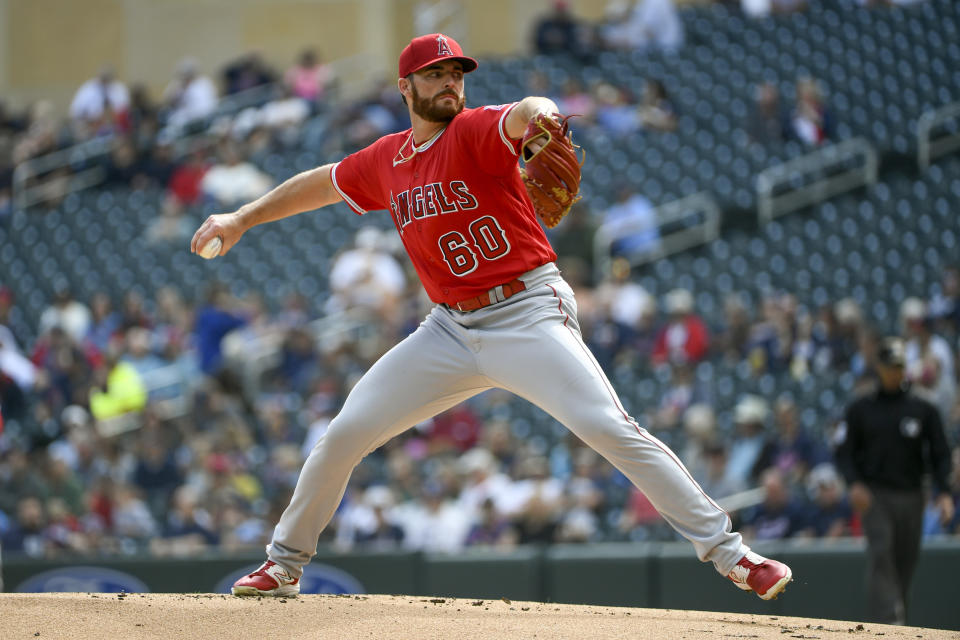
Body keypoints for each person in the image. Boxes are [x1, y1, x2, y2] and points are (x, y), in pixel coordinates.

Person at [191, 33, 791, 601]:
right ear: (406, 87)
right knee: (344, 434)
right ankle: (285, 563)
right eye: (436, 74)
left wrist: (545, 117)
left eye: (457, 73)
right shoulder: (387, 159)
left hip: (527, 311)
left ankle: (731, 554)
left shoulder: (474, 130)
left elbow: (524, 110)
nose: (451, 83)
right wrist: (241, 218)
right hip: (449, 328)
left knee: (609, 427)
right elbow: (320, 184)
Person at [834, 337, 954, 625]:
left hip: (913, 495)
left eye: (899, 367)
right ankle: (889, 624)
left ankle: (896, 625)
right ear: (879, 368)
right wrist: (854, 483)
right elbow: (844, 452)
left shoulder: (923, 407)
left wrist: (945, 492)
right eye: (889, 367)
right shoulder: (861, 408)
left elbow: (940, 453)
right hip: (875, 496)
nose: (894, 373)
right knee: (881, 552)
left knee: (905, 561)